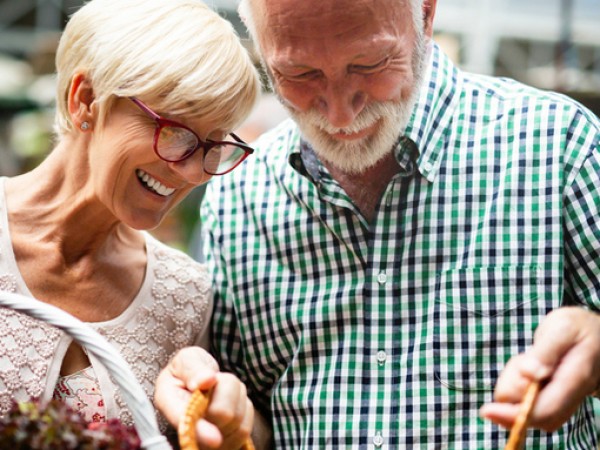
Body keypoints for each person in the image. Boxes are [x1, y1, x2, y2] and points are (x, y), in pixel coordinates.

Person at [169, 0, 600, 447]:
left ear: (427, 15)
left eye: (370, 64)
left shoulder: (558, 147)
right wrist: (221, 414)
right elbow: (255, 417)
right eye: (299, 74)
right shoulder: (240, 198)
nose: (339, 113)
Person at [0, 0, 261, 448]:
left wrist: (234, 423)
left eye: (212, 145)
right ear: (85, 99)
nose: (193, 172)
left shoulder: (183, 295)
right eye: (175, 130)